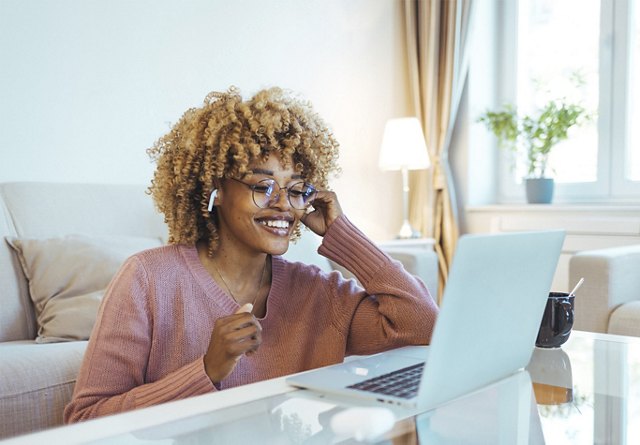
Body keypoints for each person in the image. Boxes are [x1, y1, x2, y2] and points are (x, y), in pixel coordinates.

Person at [64, 87, 439, 423]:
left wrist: (345, 235)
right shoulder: (147, 279)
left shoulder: (318, 292)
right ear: (216, 190)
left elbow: (423, 325)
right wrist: (207, 371)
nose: (282, 205)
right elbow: (86, 419)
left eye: (296, 190)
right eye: (262, 186)